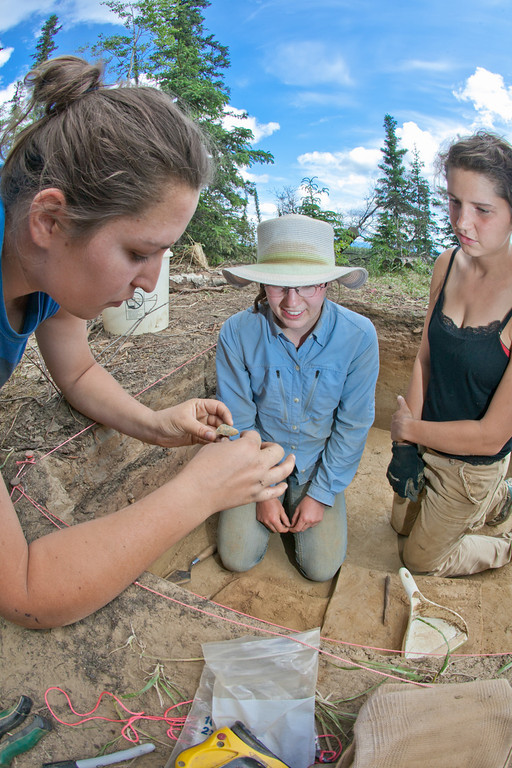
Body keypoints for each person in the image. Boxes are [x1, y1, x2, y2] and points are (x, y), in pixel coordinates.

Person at [0, 56, 294, 629]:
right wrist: (198, 492)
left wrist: (156, 424)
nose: (150, 282)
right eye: (138, 253)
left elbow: (78, 370)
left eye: (163, 253)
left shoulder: (40, 268)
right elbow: (27, 592)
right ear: (50, 219)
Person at [215, 213, 379, 581]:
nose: (293, 300)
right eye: (278, 286)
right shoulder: (237, 333)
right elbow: (237, 421)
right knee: (236, 557)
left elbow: (353, 424)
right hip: (258, 461)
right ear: (262, 283)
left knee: (321, 568)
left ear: (326, 283)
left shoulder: (358, 336)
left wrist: (321, 495)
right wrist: (264, 491)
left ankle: (328, 495)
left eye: (307, 286)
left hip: (317, 462)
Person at [388, 131, 512, 577]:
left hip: (471, 463)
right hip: (425, 441)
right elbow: (425, 356)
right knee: (398, 525)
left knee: (419, 559)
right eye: (455, 202)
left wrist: (411, 429)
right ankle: (493, 500)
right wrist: (406, 446)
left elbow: (491, 436)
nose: (463, 222)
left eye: (482, 210)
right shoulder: (447, 263)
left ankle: (502, 533)